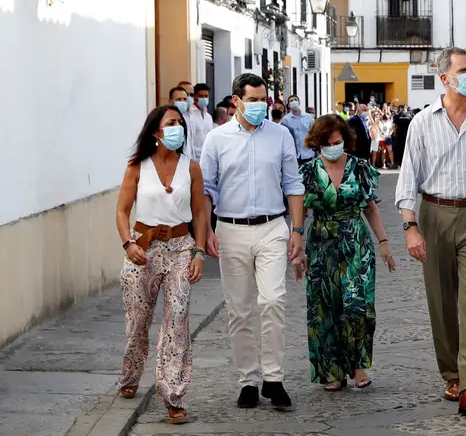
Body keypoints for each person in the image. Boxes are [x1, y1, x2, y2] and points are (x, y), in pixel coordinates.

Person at [395, 47, 466, 416]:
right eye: (464, 69)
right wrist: (411, 227)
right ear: (445, 78)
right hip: (435, 214)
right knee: (442, 301)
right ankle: (451, 373)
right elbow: (408, 178)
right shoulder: (423, 122)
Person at [201, 73, 305, 411]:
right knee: (239, 310)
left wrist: (297, 231)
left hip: (272, 226)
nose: (261, 105)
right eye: (254, 99)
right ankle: (248, 380)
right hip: (230, 229)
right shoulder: (216, 140)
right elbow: (206, 189)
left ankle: (274, 379)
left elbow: (293, 184)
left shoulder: (281, 135)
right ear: (236, 101)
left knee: (273, 299)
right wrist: (207, 233)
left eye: (265, 100)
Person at [115, 105, 207, 425]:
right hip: (143, 250)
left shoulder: (191, 168)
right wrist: (128, 244)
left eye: (180, 123)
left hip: (181, 249)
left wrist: (199, 252)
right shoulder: (137, 167)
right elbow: (122, 210)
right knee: (138, 323)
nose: (177, 127)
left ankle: (173, 394)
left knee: (177, 323)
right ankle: (130, 374)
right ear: (156, 131)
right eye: (171, 123)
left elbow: (200, 213)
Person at [299, 114, 395, 391]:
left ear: (345, 140)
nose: (332, 147)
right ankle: (332, 370)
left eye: (337, 142)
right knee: (324, 308)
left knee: (358, 306)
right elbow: (301, 213)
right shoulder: (307, 172)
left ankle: (358, 366)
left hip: (356, 243)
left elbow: (370, 208)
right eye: (327, 143)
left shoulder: (359, 167)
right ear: (317, 144)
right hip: (320, 244)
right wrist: (295, 245)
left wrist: (384, 242)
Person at [280, 95, 316, 166]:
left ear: (299, 102)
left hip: (307, 153)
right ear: (288, 105)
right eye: (291, 101)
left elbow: (314, 132)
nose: (293, 102)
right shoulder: (285, 120)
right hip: (293, 154)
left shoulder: (308, 118)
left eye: (295, 100)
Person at [184, 83, 214, 161]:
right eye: (201, 96)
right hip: (195, 159)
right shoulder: (190, 115)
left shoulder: (208, 117)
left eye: (206, 96)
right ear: (194, 97)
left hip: (208, 158)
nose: (204, 98)